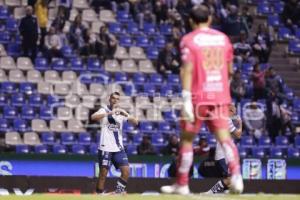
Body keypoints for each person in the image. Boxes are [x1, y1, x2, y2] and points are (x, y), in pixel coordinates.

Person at [160, 5, 243, 195]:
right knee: (225, 138)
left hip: (199, 96)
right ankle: (237, 177)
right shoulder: (223, 39)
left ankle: (182, 184)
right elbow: (230, 71)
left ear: (190, 21)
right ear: (210, 19)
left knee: (187, 139)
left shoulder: (189, 39)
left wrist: (187, 98)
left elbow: (187, 69)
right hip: (220, 95)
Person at [91, 92, 139, 194]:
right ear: (109, 99)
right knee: (103, 174)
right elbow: (93, 117)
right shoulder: (104, 110)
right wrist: (109, 114)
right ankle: (99, 195)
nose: (115, 100)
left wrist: (125, 113)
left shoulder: (121, 113)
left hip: (118, 149)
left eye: (117, 99)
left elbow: (136, 122)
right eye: (113, 98)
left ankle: (118, 193)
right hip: (105, 148)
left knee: (126, 172)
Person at [205, 104, 242, 194]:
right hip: (223, 155)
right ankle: (210, 193)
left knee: (229, 180)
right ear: (228, 111)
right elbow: (238, 134)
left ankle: (226, 193)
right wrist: (240, 124)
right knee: (229, 179)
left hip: (225, 154)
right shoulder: (227, 120)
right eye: (233, 111)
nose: (235, 114)